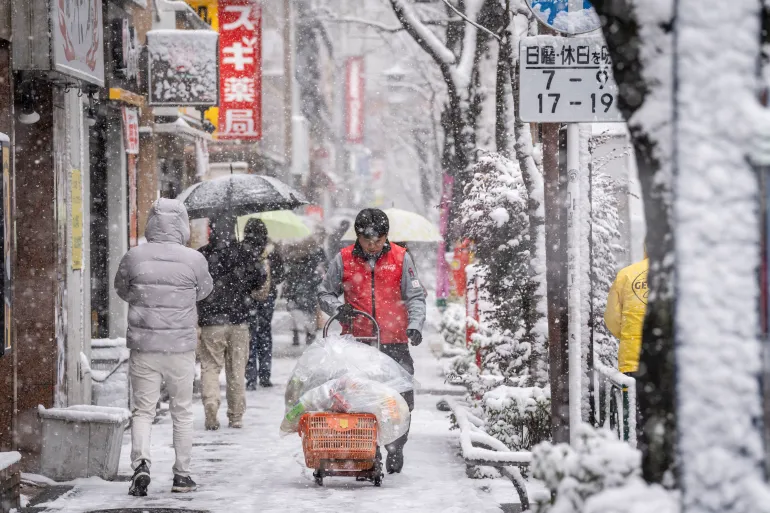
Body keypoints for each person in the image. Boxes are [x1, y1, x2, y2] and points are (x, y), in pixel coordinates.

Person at [114, 198, 213, 496]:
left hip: (144, 347)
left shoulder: (134, 256)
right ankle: (182, 476)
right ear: (182, 224)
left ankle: (141, 463)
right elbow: (205, 291)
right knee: (182, 412)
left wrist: (144, 299)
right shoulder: (194, 259)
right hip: (180, 348)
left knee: (143, 410)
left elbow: (121, 288)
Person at [318, 208, 426, 474]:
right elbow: (324, 293)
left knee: (401, 399)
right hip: (359, 342)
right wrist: (336, 308)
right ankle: (369, 450)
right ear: (358, 236)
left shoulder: (401, 258)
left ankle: (397, 445)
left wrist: (414, 326)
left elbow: (415, 297)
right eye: (368, 240)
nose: (374, 246)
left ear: (386, 237)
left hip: (395, 340)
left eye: (379, 240)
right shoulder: (343, 260)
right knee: (361, 400)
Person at [197, 217, 266, 430]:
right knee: (236, 370)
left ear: (211, 230)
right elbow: (260, 278)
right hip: (239, 320)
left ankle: (210, 403)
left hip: (211, 321)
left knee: (210, 366)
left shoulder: (201, 255)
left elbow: (194, 284)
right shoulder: (245, 253)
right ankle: (236, 416)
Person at [242, 218, 285, 389]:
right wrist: (270, 283)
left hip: (248, 297)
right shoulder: (272, 250)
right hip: (267, 297)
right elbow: (281, 274)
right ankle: (265, 375)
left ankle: (250, 377)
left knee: (249, 334)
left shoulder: (242, 249)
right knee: (265, 333)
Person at [604, 252, 649, 375]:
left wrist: (628, 335)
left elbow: (612, 317)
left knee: (633, 394)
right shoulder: (684, 275)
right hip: (675, 358)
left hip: (633, 358)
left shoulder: (626, 274)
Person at [284, 234, 326, 346]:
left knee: (297, 313)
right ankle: (309, 334)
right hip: (307, 290)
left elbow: (288, 276)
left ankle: (298, 334)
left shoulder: (293, 255)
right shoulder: (313, 256)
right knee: (309, 313)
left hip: (298, 290)